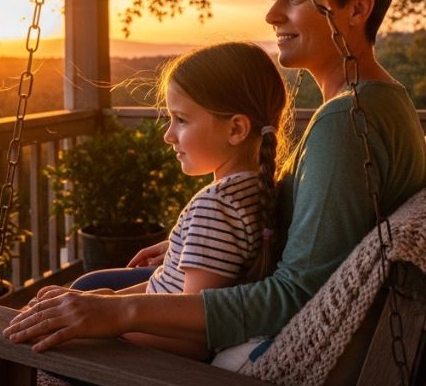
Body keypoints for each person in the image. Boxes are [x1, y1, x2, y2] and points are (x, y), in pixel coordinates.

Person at [4, 0, 426, 376]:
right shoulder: (374, 104)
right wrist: (187, 245)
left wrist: (117, 314)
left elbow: (295, 297)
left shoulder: (349, 120)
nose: (272, 15)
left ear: (357, 9)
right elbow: (314, 219)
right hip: (295, 319)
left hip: (277, 370)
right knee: (96, 285)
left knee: (27, 343)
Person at [63, 41, 291, 361]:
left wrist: (106, 326)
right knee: (89, 288)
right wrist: (109, 299)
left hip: (158, 366)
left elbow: (193, 340)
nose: (168, 135)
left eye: (181, 120)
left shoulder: (215, 208)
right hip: (152, 326)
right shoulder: (253, 192)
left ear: (237, 128)